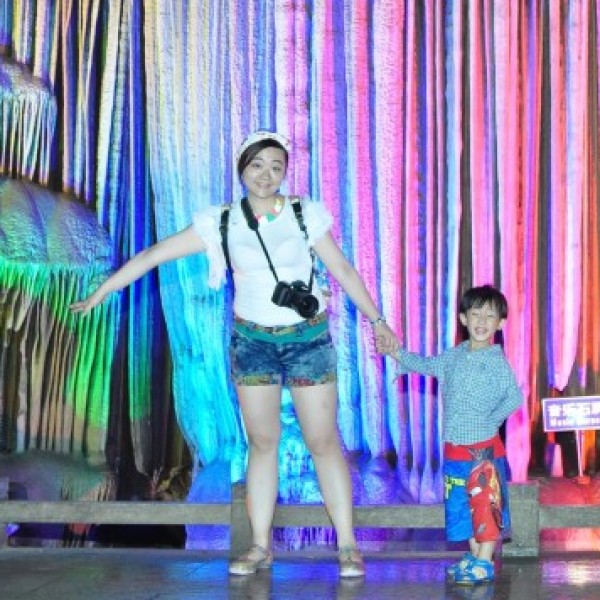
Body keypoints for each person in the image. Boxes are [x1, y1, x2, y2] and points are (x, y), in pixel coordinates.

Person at [70, 130, 398, 578]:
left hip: (307, 340)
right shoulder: (221, 222)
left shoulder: (303, 214)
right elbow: (153, 255)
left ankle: (347, 545)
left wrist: (378, 321)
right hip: (252, 343)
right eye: (257, 165)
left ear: (285, 172)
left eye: (276, 166)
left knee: (323, 441)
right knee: (261, 444)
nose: (266, 174)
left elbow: (341, 268)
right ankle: (260, 546)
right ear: (242, 168)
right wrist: (102, 291)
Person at [390, 285, 523, 585]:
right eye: (475, 314)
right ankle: (476, 557)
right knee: (461, 508)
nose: (482, 321)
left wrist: (490, 422)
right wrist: (396, 353)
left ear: (500, 323)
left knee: (485, 504)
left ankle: (484, 561)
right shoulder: (454, 356)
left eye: (490, 316)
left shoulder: (496, 361)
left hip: (483, 451)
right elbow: (426, 365)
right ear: (463, 318)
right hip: (454, 452)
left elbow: (514, 397)